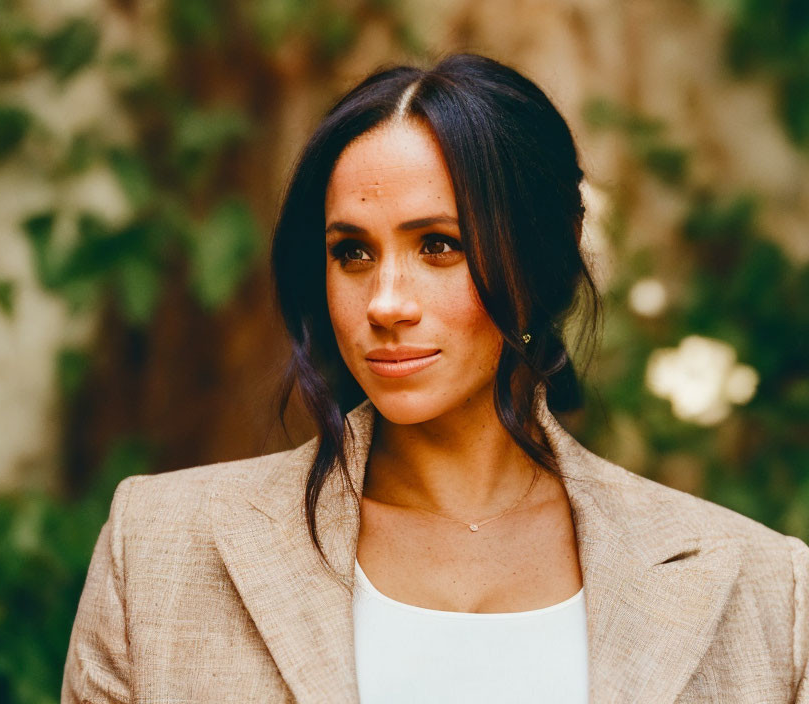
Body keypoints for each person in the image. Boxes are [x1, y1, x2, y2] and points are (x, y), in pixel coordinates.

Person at [61, 53, 809, 703]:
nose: (385, 303)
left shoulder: (762, 585)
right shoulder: (162, 546)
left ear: (544, 258)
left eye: (440, 246)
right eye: (352, 252)